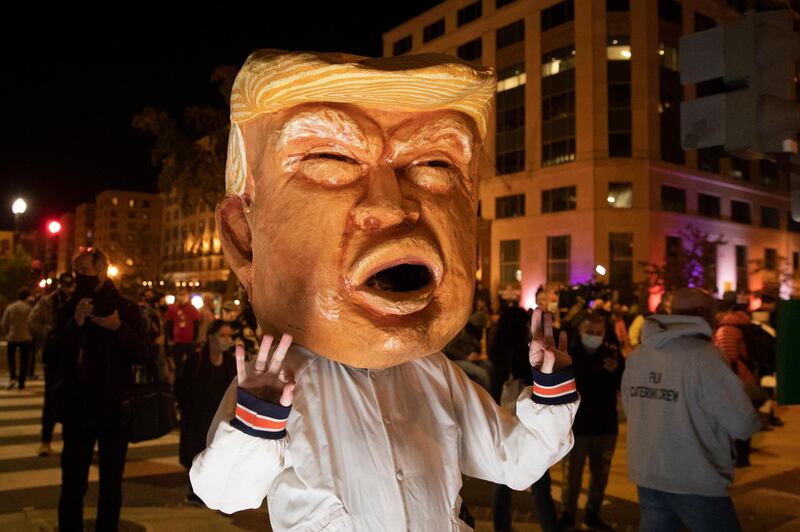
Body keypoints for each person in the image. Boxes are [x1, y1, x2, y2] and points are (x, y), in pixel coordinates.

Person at [189, 50, 579, 530]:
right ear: (244, 238)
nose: (392, 207)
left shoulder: (435, 376)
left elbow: (513, 461)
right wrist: (258, 421)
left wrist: (551, 393)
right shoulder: (283, 381)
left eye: (434, 164)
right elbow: (226, 493)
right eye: (330, 159)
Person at [622, 288, 760, 531]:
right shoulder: (704, 358)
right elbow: (742, 423)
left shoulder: (640, 355)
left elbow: (630, 408)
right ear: (702, 315)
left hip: (649, 472)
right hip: (696, 477)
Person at [52, 248, 152, 531]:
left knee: (111, 483)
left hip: (114, 410)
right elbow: (51, 354)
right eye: (77, 272)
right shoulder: (67, 307)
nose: (80, 277)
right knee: (72, 482)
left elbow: (145, 354)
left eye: (85, 271)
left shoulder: (126, 309)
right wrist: (76, 323)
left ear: (102, 271)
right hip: (76, 409)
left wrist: (118, 328)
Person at [489, 306, 561, 532]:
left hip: (501, 426)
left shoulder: (497, 353)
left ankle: (502, 528)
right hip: (526, 426)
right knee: (540, 482)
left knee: (502, 483)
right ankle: (550, 527)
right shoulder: (522, 353)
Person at [559, 313, 623, 531]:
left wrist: (616, 371)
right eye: (590, 332)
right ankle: (568, 513)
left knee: (600, 474)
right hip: (578, 426)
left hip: (605, 425)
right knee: (572, 474)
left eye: (598, 332)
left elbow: (620, 385)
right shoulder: (571, 355)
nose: (594, 337)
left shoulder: (612, 353)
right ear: (581, 331)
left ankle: (592, 513)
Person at [175, 319, 237, 503]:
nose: (226, 340)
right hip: (196, 418)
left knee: (215, 453)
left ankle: (211, 491)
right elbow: (181, 386)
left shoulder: (230, 362)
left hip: (218, 418)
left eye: (229, 336)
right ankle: (196, 490)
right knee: (194, 453)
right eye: (222, 335)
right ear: (211, 337)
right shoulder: (197, 359)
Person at [29, 273, 75, 456]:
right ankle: (45, 440)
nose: (67, 289)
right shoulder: (48, 302)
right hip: (55, 356)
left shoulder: (80, 300)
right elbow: (33, 322)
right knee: (51, 401)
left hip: (74, 358)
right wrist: (51, 333)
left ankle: (72, 442)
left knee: (74, 402)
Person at [714, 306, 764, 467]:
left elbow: (729, 356)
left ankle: (738, 456)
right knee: (744, 413)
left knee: (733, 415)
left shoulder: (726, 329)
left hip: (737, 378)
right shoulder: (745, 325)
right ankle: (742, 455)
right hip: (749, 374)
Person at [1, 287, 34, 390]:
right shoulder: (29, 308)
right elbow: (32, 323)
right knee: (24, 360)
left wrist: (7, 332)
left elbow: (4, 323)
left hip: (12, 336)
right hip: (25, 336)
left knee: (11, 358)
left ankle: (13, 377)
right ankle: (22, 382)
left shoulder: (10, 307)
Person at [164, 289, 200, 378]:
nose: (182, 298)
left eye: (184, 296)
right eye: (180, 295)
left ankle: (190, 379)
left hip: (189, 341)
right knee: (178, 364)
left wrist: (195, 339)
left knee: (191, 362)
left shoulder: (192, 308)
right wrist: (171, 338)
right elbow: (169, 324)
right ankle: (178, 381)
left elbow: (196, 324)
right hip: (177, 341)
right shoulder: (172, 308)